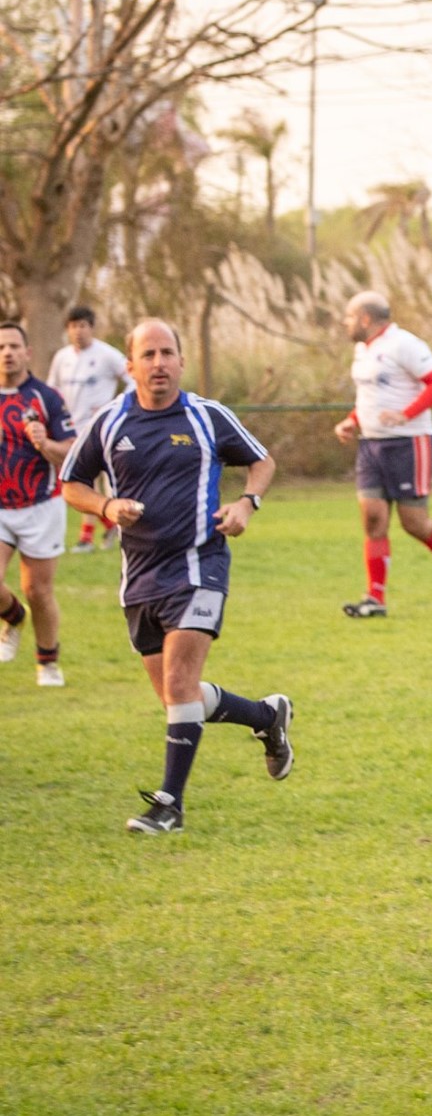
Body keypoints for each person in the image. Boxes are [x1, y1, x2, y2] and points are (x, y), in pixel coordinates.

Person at [58, 320, 293, 834]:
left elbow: (262, 461)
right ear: (130, 365)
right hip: (140, 577)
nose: (159, 362)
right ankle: (265, 717)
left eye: (168, 353)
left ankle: (170, 805)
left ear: (182, 362)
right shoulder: (110, 421)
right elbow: (70, 482)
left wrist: (247, 505)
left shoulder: (207, 417)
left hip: (200, 565)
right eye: (148, 354)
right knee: (176, 696)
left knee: (181, 682)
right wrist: (106, 504)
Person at [332, 292, 432, 618]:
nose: (345, 322)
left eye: (349, 316)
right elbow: (372, 394)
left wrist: (404, 415)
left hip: (410, 443)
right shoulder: (362, 350)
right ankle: (375, 599)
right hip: (371, 445)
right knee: (373, 520)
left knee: (414, 523)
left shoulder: (405, 344)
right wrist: (352, 421)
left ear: (366, 319)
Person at [0, 321, 75, 685]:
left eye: (14, 346)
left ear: (28, 353)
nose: (7, 353)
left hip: (41, 504)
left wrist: (45, 443)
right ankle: (13, 616)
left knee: (38, 591)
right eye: (1, 347)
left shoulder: (46, 398)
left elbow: (70, 451)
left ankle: (47, 662)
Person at [47, 305, 131, 552]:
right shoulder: (62, 358)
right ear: (67, 330)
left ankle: (90, 535)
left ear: (91, 328)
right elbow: (52, 392)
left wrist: (115, 406)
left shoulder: (107, 354)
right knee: (80, 481)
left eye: (83, 325)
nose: (78, 331)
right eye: (73, 326)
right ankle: (108, 524)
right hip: (70, 431)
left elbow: (132, 379)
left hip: (101, 428)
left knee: (97, 480)